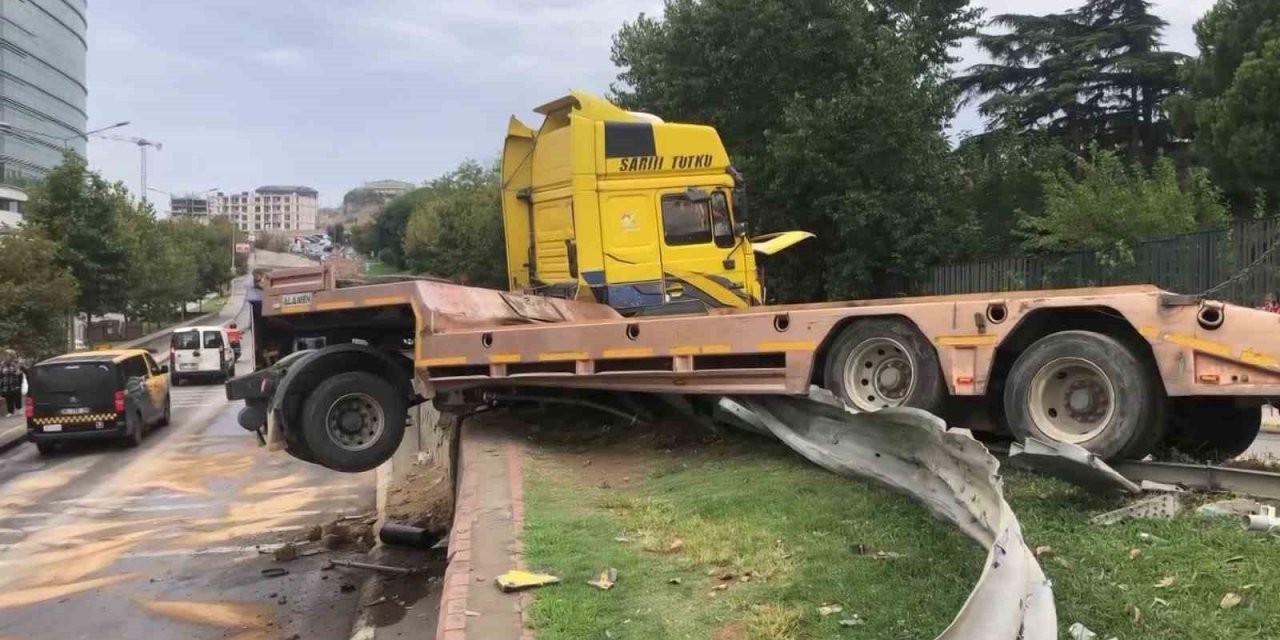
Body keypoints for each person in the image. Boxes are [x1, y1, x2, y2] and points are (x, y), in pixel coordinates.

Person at [0, 350, 24, 417]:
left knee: (17, 398)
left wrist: (20, 384)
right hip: (6, 385)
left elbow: (20, 374)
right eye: (5, 355)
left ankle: (19, 409)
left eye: (8, 355)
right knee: (8, 399)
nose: (6, 357)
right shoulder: (2, 365)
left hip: (15, 385)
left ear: (11, 356)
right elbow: (1, 375)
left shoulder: (16, 363)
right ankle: (10, 411)